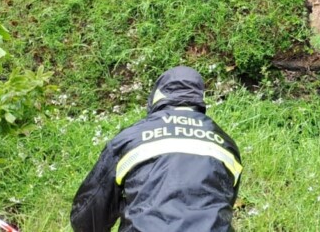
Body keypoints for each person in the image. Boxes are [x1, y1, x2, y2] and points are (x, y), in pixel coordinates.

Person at [70, 66, 243, 232]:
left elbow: (88, 211)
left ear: (157, 96)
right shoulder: (225, 143)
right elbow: (225, 201)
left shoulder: (131, 138)